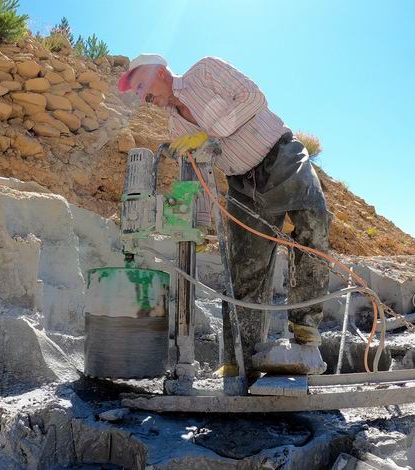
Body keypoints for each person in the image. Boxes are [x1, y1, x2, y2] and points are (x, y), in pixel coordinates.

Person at [117, 54, 331, 378]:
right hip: (243, 183)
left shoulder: (205, 71)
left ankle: (305, 334)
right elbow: (199, 175)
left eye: (143, 86)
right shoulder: (176, 126)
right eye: (137, 93)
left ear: (160, 71)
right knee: (244, 272)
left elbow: (254, 98)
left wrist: (212, 134)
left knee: (312, 225)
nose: (143, 97)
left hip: (280, 154)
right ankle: (238, 362)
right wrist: (200, 225)